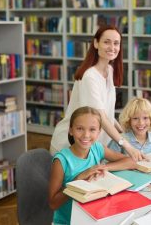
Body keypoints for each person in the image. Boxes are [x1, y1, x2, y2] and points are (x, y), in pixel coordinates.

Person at [50, 25, 144, 161]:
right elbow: (102, 117)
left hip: (92, 144)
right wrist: (126, 145)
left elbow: (107, 114)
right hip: (71, 144)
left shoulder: (110, 71)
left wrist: (124, 132)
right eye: (106, 42)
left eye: (116, 43)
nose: (112, 47)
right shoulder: (90, 76)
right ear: (96, 43)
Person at [49, 106, 136, 225]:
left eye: (92, 129)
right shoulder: (61, 161)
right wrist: (77, 180)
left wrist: (104, 167)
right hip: (68, 221)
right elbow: (53, 203)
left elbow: (131, 161)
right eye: (80, 128)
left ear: (99, 132)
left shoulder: (97, 148)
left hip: (94, 216)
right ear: (71, 130)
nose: (86, 135)